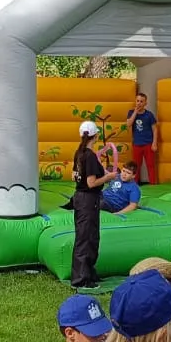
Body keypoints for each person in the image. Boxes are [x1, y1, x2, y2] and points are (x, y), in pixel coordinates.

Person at [70, 121, 114, 288]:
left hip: (81, 199)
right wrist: (107, 177)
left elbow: (74, 175)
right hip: (88, 199)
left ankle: (89, 273)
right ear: (95, 136)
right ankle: (81, 279)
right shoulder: (89, 156)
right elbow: (91, 183)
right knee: (86, 238)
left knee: (90, 236)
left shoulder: (79, 153)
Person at [125, 90, 159, 184]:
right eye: (138, 101)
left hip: (148, 143)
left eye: (141, 101)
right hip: (137, 144)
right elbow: (128, 124)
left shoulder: (149, 115)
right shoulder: (131, 112)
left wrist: (154, 143)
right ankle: (135, 184)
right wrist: (135, 112)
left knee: (150, 165)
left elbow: (155, 129)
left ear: (145, 103)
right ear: (135, 101)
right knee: (136, 166)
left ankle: (153, 184)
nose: (139, 103)